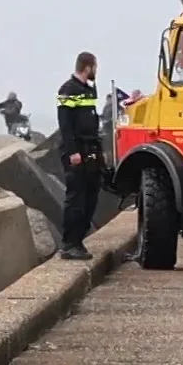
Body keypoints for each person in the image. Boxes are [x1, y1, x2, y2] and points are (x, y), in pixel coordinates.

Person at [55, 52, 103, 261]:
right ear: (88, 67)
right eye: (95, 67)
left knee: (91, 196)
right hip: (77, 151)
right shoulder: (68, 90)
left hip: (92, 149)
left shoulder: (87, 90)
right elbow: (65, 125)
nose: (96, 71)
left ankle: (80, 240)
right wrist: (73, 151)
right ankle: (69, 243)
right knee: (76, 198)